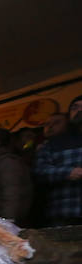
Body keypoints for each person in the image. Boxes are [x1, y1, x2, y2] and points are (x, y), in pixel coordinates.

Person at [34, 95, 82, 226]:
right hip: (65, 212)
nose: (79, 110)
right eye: (75, 107)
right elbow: (39, 172)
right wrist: (68, 172)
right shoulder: (52, 144)